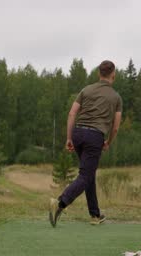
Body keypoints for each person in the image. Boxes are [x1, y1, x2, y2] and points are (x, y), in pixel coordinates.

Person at [49, 60, 122, 227]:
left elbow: (71, 113)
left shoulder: (86, 90)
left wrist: (69, 137)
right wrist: (108, 142)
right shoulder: (116, 97)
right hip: (95, 137)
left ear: (99, 74)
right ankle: (60, 202)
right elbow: (116, 127)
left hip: (78, 134)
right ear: (113, 75)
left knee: (89, 173)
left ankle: (95, 214)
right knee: (85, 175)